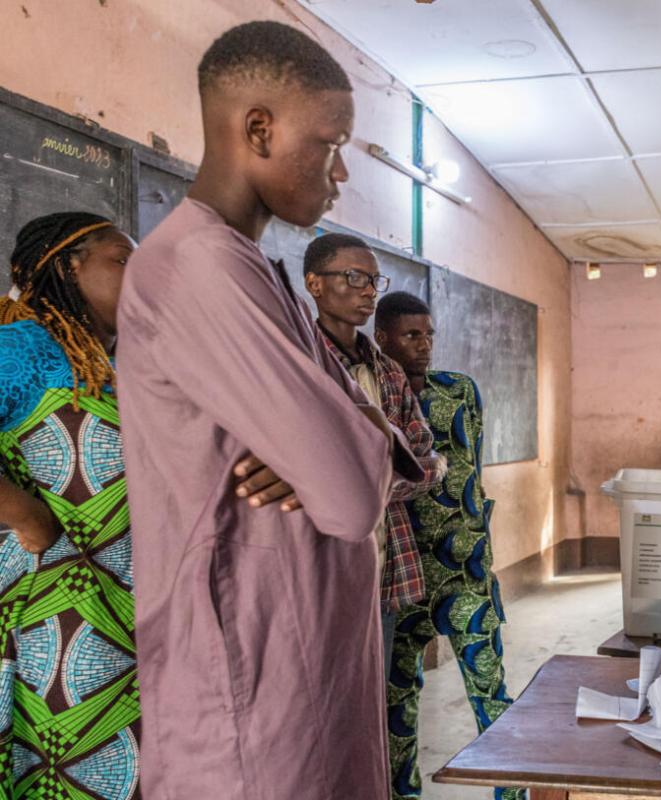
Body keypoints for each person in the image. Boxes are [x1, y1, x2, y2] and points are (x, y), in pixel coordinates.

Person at [116, 22, 429, 798]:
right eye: (332, 144)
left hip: (304, 663)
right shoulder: (198, 265)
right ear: (259, 128)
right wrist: (336, 448)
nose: (341, 171)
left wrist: (339, 442)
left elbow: (373, 448)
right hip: (250, 685)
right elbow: (355, 494)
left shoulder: (257, 268)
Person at [0, 212, 141, 798]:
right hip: (56, 613)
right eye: (123, 261)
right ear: (67, 265)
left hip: (133, 605)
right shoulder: (21, 347)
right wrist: (25, 515)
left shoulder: (126, 359)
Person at [302, 234, 448, 787]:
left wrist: (363, 479)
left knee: (369, 704)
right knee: (315, 705)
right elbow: (302, 469)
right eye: (352, 278)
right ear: (314, 283)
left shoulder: (384, 370)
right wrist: (394, 471)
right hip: (317, 565)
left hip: (383, 567)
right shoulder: (299, 359)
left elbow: (425, 457)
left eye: (372, 280)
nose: (366, 292)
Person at [375, 291, 522, 800]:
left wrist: (476, 540)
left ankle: (512, 792)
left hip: (464, 573)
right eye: (412, 335)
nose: (424, 345)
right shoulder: (371, 401)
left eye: (429, 334)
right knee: (397, 706)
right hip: (401, 578)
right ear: (383, 338)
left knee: (490, 688)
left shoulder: (459, 391)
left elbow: (472, 471)